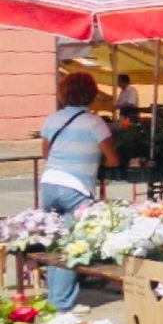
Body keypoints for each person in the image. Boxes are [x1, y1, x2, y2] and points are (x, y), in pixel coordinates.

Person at [39, 73, 120, 309]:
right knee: (74, 245)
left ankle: (53, 299)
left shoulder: (52, 119)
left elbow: (46, 154)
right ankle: (61, 304)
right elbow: (112, 159)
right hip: (76, 187)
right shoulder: (95, 123)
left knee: (55, 242)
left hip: (49, 183)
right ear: (91, 94)